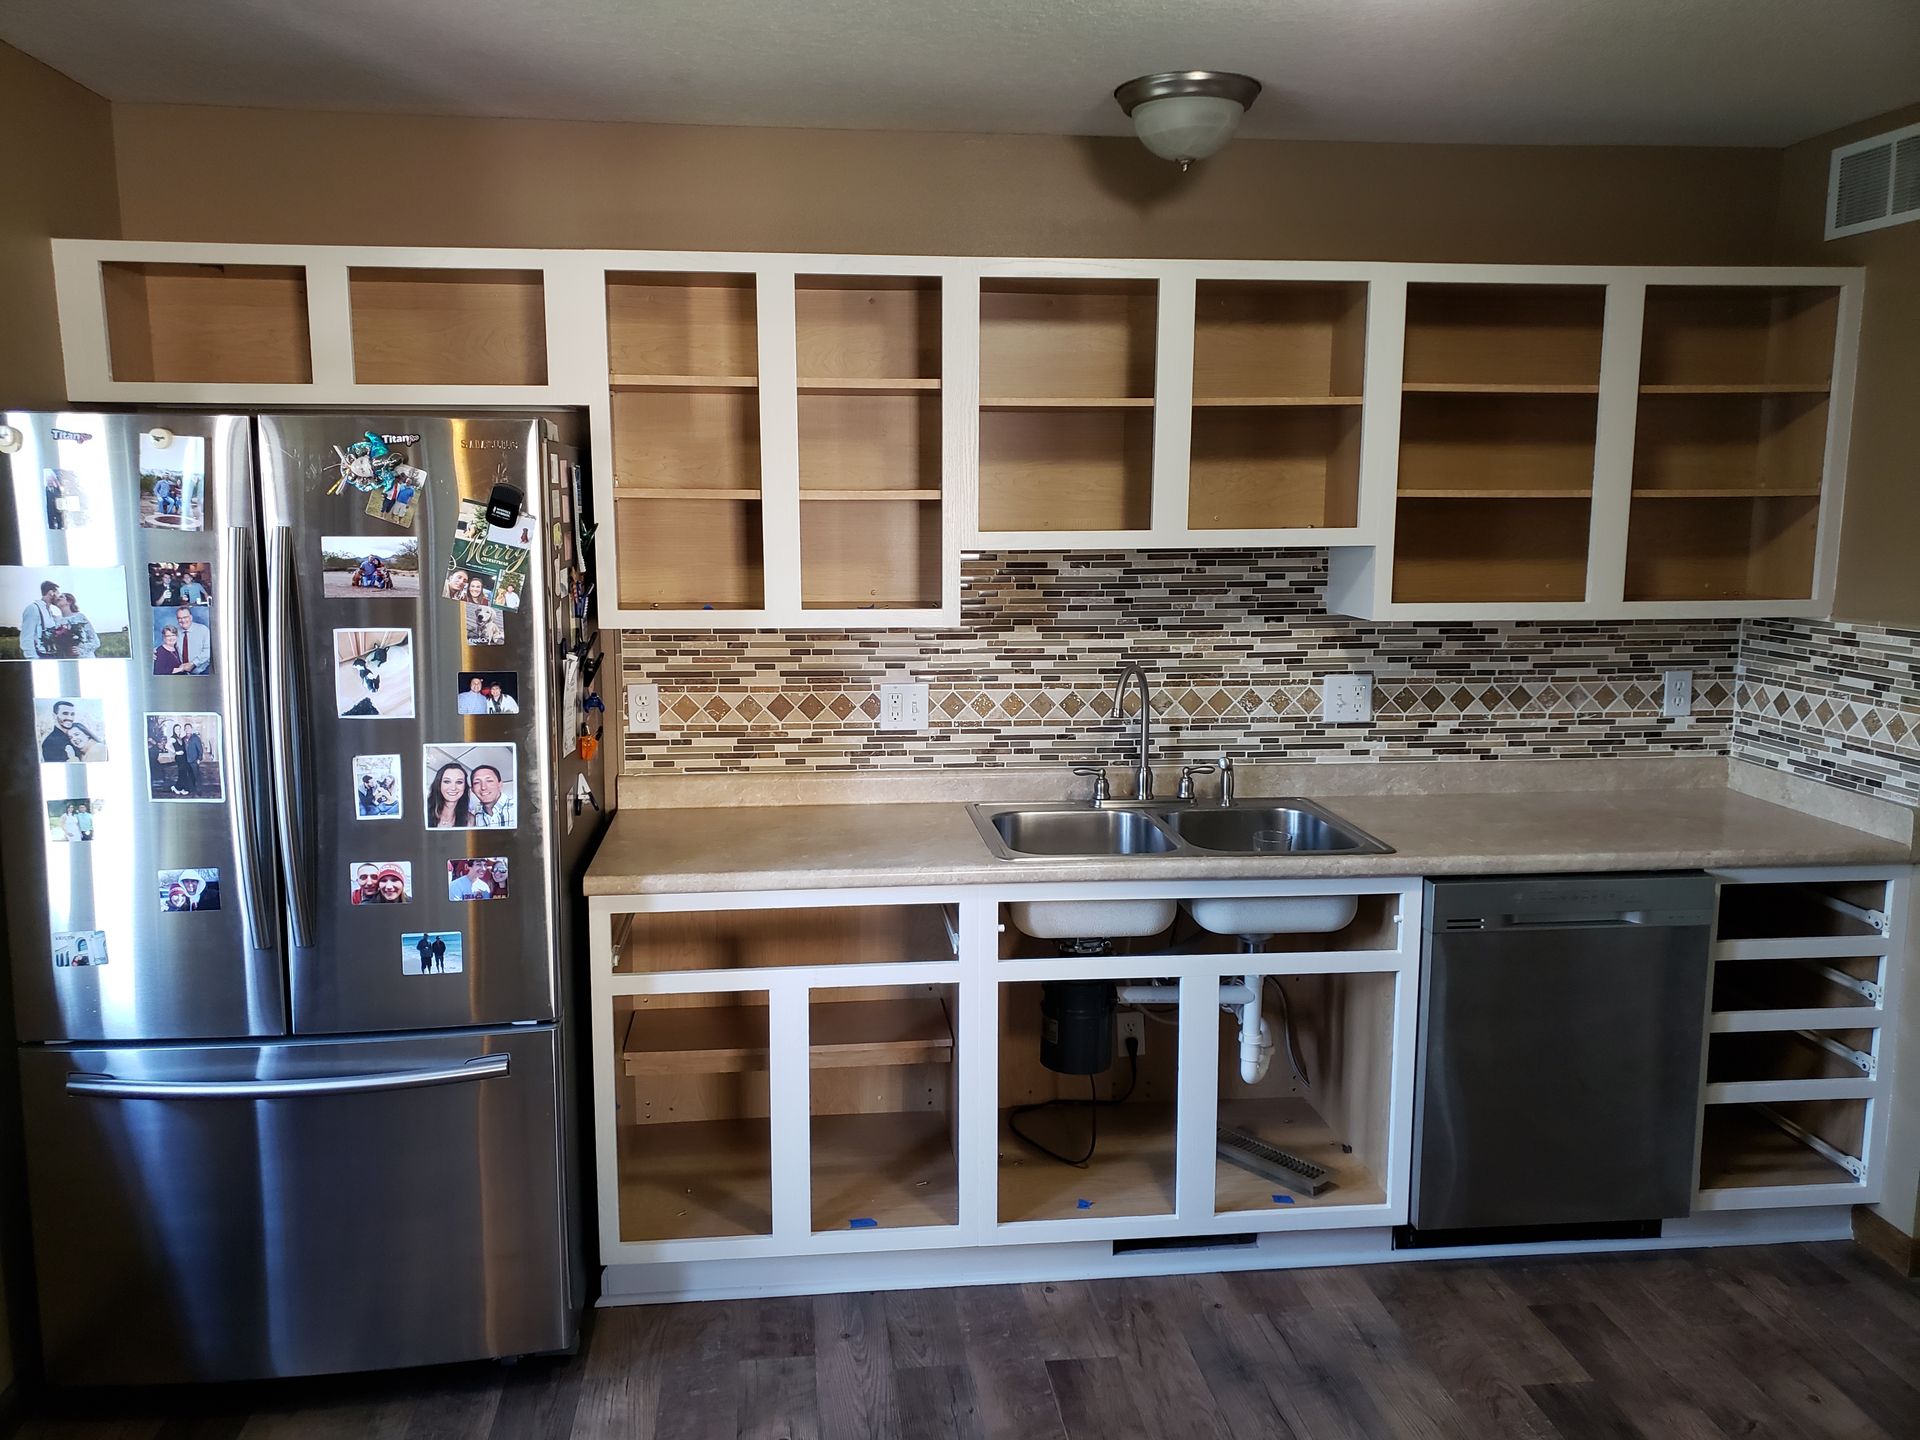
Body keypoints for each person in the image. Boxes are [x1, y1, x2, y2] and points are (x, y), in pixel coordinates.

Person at [20, 580, 71, 659]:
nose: (58, 597)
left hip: (51, 656)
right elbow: (27, 638)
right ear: (51, 592)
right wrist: (34, 659)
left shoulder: (49, 611)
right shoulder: (33, 608)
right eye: (57, 593)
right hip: (40, 656)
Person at [426, 762, 472, 828]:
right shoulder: (422, 814)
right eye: (447, 782)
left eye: (459, 782)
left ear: (465, 787)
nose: (453, 788)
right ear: (439, 784)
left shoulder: (470, 820)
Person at [54, 593, 100, 659]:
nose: (58, 599)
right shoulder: (57, 620)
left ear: (69, 601)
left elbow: (95, 641)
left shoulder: (79, 617)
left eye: (61, 597)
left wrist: (81, 649)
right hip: (67, 658)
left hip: (84, 658)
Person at [469, 764, 514, 829]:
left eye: (489, 781)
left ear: (500, 785)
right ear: (472, 789)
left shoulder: (518, 808)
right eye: (477, 782)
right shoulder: (475, 817)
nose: (483, 787)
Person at [175, 606, 211, 674]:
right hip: (182, 672)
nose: (183, 620)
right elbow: (167, 646)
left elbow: (208, 651)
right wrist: (156, 652)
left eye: (185, 617)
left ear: (191, 617)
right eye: (179, 618)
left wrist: (193, 663)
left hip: (202, 671)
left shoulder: (203, 630)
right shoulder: (175, 631)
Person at [177, 721, 204, 798]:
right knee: (189, 775)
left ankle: (199, 790)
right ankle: (192, 789)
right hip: (186, 761)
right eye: (186, 728)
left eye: (189, 728)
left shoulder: (196, 738)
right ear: (184, 730)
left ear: (191, 729)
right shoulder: (183, 739)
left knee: (196, 775)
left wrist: (199, 759)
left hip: (194, 760)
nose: (187, 729)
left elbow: (200, 749)